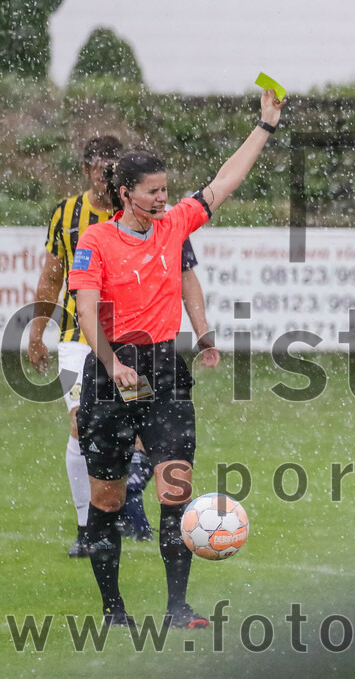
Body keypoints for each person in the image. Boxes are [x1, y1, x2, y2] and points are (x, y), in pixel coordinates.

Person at [68, 89, 286, 627]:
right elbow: (88, 312)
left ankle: (177, 607)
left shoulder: (173, 227)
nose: (163, 199)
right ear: (126, 194)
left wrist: (265, 126)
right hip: (109, 375)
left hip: (165, 372)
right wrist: (112, 361)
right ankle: (114, 609)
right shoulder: (95, 241)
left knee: (175, 489)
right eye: (152, 192)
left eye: (166, 190)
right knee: (109, 500)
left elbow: (224, 183)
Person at [28, 136, 215, 555]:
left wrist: (203, 333)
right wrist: (38, 329)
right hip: (82, 342)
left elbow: (185, 276)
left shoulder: (156, 219)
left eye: (110, 164)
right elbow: (52, 275)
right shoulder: (72, 217)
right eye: (98, 165)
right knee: (80, 422)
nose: (103, 172)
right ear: (89, 170)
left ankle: (125, 496)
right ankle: (87, 528)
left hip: (135, 349)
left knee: (146, 437)